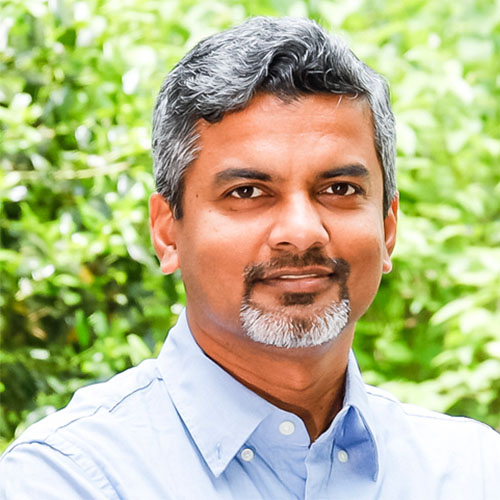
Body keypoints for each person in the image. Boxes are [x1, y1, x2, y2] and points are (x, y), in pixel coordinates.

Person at [1, 16, 499, 500]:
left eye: (340, 188)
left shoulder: (474, 472)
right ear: (167, 232)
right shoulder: (70, 478)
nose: (302, 232)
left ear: (388, 228)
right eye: (247, 192)